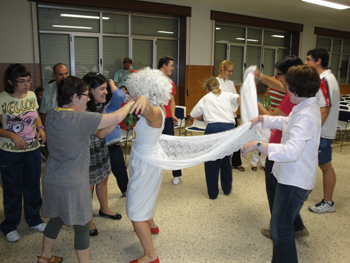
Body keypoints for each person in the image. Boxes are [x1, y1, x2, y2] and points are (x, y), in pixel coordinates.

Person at [38, 76, 134, 263]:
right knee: (82, 225)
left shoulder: (51, 114)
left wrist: (116, 118)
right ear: (74, 97)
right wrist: (130, 103)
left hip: (52, 179)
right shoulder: (80, 117)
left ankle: (45, 257)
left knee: (57, 218)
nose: (88, 99)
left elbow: (102, 130)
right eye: (85, 96)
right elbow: (117, 116)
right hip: (73, 182)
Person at [242, 65, 321, 263]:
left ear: (295, 90)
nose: (286, 89)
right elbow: (287, 122)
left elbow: (292, 151)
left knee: (281, 229)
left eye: (288, 87)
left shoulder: (305, 115)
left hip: (294, 182)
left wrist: (258, 144)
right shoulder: (305, 106)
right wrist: (263, 119)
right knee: (281, 227)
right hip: (292, 177)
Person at [254, 55, 309, 240]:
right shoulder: (299, 92)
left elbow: (273, 116)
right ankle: (297, 225)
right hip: (281, 144)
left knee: (274, 189)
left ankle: (278, 227)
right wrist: (259, 75)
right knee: (278, 187)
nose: (276, 79)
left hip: (279, 147)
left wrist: (256, 104)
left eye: (279, 75)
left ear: (290, 75)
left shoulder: (292, 99)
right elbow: (277, 85)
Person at [126, 68, 173, 263]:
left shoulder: (154, 111)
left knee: (135, 211)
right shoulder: (156, 109)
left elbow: (143, 108)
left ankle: (151, 256)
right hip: (145, 158)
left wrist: (142, 95)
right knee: (147, 194)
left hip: (146, 162)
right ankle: (151, 223)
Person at [0, 64, 46, 243]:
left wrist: (40, 128)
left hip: (32, 150)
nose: (27, 85)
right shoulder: (2, 99)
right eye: (21, 82)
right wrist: (11, 135)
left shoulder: (32, 96)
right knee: (12, 189)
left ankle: (34, 219)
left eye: (29, 81)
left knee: (33, 186)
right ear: (11, 82)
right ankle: (10, 225)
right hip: (9, 153)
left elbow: (35, 115)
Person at [83, 73, 123, 237]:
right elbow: (99, 132)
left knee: (103, 178)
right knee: (88, 185)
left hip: (100, 146)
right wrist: (119, 116)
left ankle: (104, 208)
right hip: (86, 149)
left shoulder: (100, 105)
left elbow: (119, 98)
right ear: (89, 90)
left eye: (106, 88)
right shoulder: (83, 107)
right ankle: (87, 219)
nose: (105, 92)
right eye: (101, 89)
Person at [190, 77, 240, 199]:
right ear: (218, 86)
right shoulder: (227, 94)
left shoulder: (206, 98)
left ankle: (213, 193)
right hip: (229, 128)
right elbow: (239, 98)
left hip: (213, 129)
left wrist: (204, 116)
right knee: (226, 159)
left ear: (207, 89)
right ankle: (227, 189)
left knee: (212, 162)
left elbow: (192, 115)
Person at [305, 48, 340, 213]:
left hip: (322, 133)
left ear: (318, 61)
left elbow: (324, 110)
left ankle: (328, 202)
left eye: (308, 59)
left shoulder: (324, 80)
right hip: (322, 131)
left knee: (325, 166)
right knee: (320, 164)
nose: (306, 63)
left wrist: (312, 132)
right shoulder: (327, 78)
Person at [216, 60, 245, 172]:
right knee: (221, 140)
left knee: (236, 138)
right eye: (229, 71)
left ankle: (236, 162)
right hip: (220, 116)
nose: (231, 73)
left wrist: (233, 110)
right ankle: (219, 161)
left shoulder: (231, 83)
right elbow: (215, 100)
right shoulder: (214, 82)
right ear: (223, 69)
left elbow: (235, 98)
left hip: (231, 115)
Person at [158, 55, 182, 185]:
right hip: (154, 119)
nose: (173, 68)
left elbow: (172, 100)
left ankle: (177, 174)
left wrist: (172, 114)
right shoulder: (153, 80)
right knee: (154, 146)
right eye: (171, 65)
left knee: (171, 146)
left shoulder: (170, 82)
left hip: (166, 119)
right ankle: (154, 172)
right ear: (164, 65)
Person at [105, 81, 130, 197]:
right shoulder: (90, 105)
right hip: (96, 145)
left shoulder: (112, 104)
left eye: (105, 89)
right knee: (99, 176)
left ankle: (126, 191)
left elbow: (121, 96)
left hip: (112, 142)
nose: (103, 92)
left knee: (119, 169)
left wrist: (110, 83)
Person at [251, 81, 271, 171]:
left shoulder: (268, 98)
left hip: (266, 122)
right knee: (256, 143)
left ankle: (263, 163)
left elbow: (269, 111)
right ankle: (254, 163)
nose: (269, 89)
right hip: (258, 123)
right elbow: (255, 112)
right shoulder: (256, 98)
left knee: (266, 143)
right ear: (264, 88)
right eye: (268, 87)